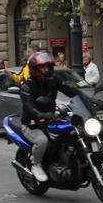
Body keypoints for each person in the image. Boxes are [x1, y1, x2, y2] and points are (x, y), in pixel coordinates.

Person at [19, 52, 91, 181]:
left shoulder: (53, 80)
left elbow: (67, 90)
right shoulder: (27, 85)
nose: (46, 70)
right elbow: (28, 106)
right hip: (32, 123)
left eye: (47, 66)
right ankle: (36, 165)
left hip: (51, 119)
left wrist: (86, 97)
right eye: (42, 67)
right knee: (42, 141)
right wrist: (40, 114)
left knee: (73, 132)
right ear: (34, 69)